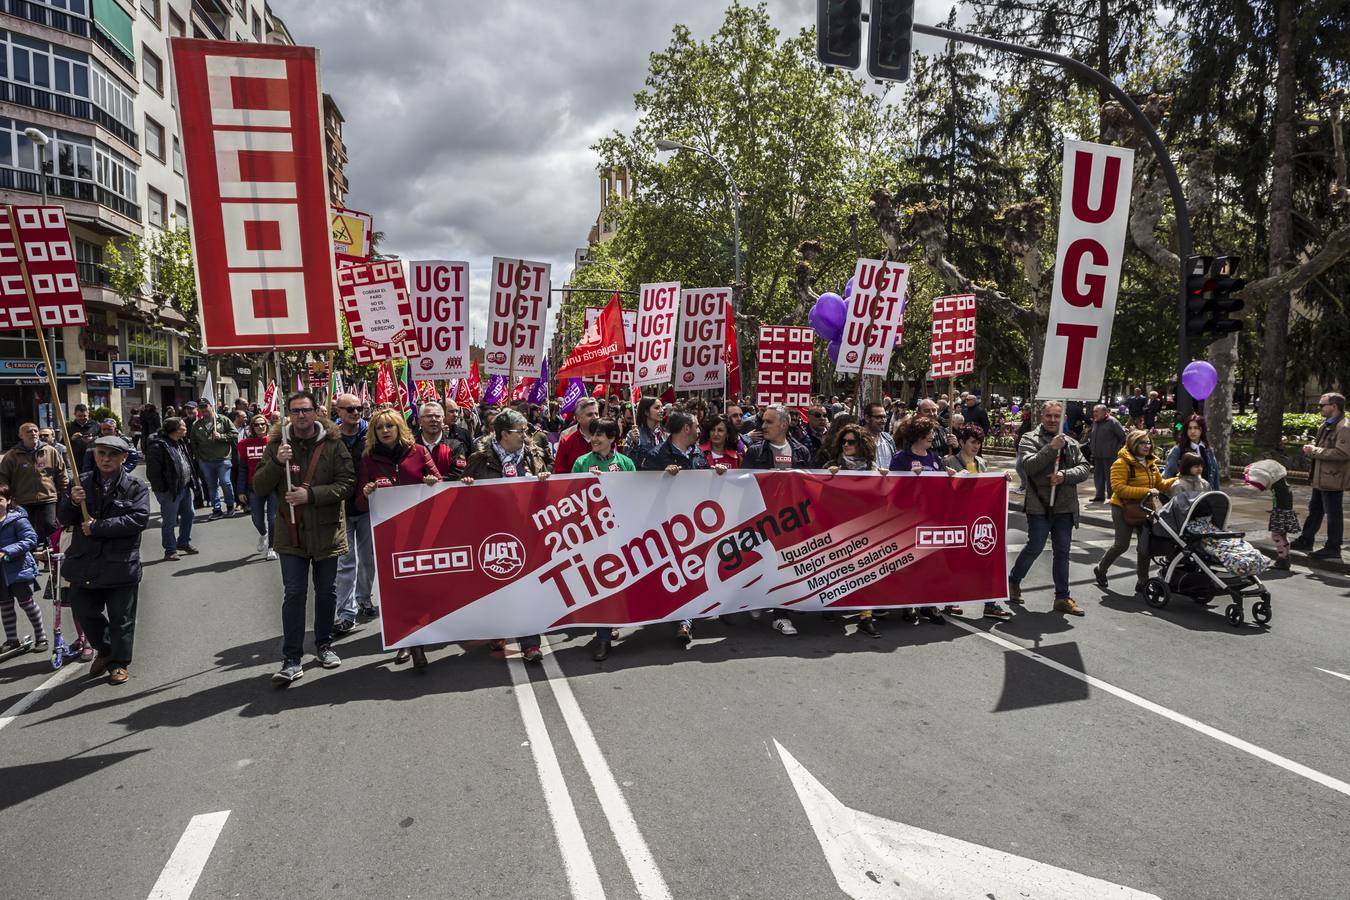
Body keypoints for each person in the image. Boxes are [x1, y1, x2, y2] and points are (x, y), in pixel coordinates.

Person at [253, 391, 355, 685]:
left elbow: (347, 483)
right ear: (288, 413)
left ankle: (324, 645)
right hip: (291, 533)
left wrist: (310, 494)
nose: (301, 416)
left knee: (326, 592)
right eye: (295, 411)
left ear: (316, 412)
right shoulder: (276, 445)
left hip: (326, 532)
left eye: (306, 410)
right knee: (294, 594)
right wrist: (276, 462)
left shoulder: (334, 445)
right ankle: (292, 658)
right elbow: (259, 487)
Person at [57, 435, 149, 686]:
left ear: (123, 458)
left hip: (120, 564)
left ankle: (118, 663)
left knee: (122, 619)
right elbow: (64, 518)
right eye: (101, 454)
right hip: (85, 562)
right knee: (84, 610)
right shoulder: (80, 483)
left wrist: (98, 527)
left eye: (112, 454)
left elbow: (139, 519)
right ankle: (106, 650)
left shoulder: (135, 486)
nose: (106, 459)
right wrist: (72, 501)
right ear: (94, 456)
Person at [462, 408, 551, 663]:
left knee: (529, 587)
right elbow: (464, 493)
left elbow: (550, 487)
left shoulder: (534, 454)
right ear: (503, 435)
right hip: (494, 532)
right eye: (519, 431)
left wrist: (545, 478)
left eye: (525, 430)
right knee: (497, 584)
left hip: (527, 529)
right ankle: (498, 631)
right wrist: (467, 484)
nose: (524, 435)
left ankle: (531, 643)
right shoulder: (480, 458)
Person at [357, 408, 441, 667]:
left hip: (419, 531)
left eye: (389, 426)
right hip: (388, 534)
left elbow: (439, 482)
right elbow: (360, 503)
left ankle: (417, 642)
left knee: (417, 586)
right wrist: (367, 491)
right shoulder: (369, 458)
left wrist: (431, 482)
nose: (385, 431)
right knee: (395, 590)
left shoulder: (418, 451)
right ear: (374, 432)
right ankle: (405, 642)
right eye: (380, 427)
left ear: (398, 428)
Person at [640, 410, 729, 642]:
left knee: (690, 573)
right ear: (686, 429)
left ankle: (685, 621)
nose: (701, 430)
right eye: (697, 426)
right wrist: (662, 477)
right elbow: (640, 490)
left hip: (692, 526)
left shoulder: (698, 453)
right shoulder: (656, 456)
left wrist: (715, 475)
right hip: (664, 526)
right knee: (669, 574)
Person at [1008, 401, 1091, 616]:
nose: (1053, 420)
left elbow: (1084, 468)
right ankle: (1014, 580)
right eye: (1049, 416)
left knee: (1062, 552)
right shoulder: (1029, 438)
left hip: (1065, 506)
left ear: (1063, 418)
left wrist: (1064, 476)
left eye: (1057, 416)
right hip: (1039, 505)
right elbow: (1028, 466)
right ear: (1041, 417)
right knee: (1035, 546)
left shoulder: (1071, 442)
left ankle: (1062, 597)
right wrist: (1050, 448)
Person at [738, 404, 808, 634]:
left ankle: (781, 615)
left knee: (784, 566)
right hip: (762, 519)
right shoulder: (755, 452)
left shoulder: (801, 452)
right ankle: (758, 598)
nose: (762, 426)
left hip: (791, 520)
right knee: (761, 563)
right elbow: (744, 485)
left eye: (769, 422)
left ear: (784, 425)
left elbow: (810, 484)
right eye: (763, 421)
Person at [572, 417, 635, 661]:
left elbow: (635, 495)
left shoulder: (626, 463)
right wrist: (587, 483)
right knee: (601, 586)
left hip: (620, 534)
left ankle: (609, 625)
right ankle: (603, 637)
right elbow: (570, 498)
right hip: (592, 536)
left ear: (612, 439)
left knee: (616, 585)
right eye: (592, 434)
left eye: (599, 435)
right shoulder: (581, 463)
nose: (594, 439)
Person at [819, 422, 886, 635]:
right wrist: (829, 477)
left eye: (852, 442)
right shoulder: (832, 465)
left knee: (865, 572)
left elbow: (882, 497)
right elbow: (818, 495)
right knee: (837, 568)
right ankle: (832, 604)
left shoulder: (872, 468)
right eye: (844, 442)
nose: (847, 445)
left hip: (865, 527)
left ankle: (865, 616)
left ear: (861, 445)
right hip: (838, 527)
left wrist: (885, 478)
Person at [942, 424, 1014, 620]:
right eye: (972, 442)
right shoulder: (948, 461)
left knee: (986, 559)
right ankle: (951, 600)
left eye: (979, 443)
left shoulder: (981, 463)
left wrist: (1002, 479)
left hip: (977, 520)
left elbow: (987, 488)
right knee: (956, 561)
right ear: (963, 442)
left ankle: (990, 603)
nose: (976, 446)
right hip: (956, 520)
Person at [1092, 431, 1175, 595]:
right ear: (1133, 444)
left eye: (1149, 442)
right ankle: (1101, 569)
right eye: (1143, 443)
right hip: (1123, 508)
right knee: (1122, 544)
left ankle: (1142, 581)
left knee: (1145, 546)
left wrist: (1179, 479)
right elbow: (1118, 488)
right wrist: (1146, 492)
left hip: (1146, 508)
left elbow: (1161, 484)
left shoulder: (1151, 463)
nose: (1147, 446)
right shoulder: (1121, 463)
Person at [888, 417, 947, 624]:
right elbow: (893, 490)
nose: (932, 436)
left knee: (930, 565)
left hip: (930, 520)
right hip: (908, 520)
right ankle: (907, 604)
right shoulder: (901, 459)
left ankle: (928, 604)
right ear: (918, 434)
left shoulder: (935, 458)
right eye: (929, 432)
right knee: (910, 564)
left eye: (933, 432)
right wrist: (910, 478)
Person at [332, 394, 375, 635]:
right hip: (340, 508)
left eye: (359, 408)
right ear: (338, 411)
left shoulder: (372, 434)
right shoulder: (329, 437)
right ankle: (346, 613)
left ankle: (364, 597)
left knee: (368, 559)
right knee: (345, 562)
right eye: (349, 409)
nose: (355, 412)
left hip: (368, 506)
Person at [1294, 391, 1348, 560]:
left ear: (1334, 406)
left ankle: (1333, 547)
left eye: (1322, 405)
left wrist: (1314, 451)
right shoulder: (1326, 424)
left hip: (1333, 478)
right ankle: (1306, 539)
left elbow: (1343, 453)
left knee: (1333, 514)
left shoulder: (1344, 427)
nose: (1319, 408)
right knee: (1315, 510)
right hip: (1321, 477)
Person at [0, 422, 68, 554]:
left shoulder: (50, 451)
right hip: (22, 500)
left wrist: (63, 491)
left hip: (48, 497)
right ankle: (30, 557)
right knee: (27, 530)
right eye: (29, 431)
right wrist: (8, 497)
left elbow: (61, 473)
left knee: (50, 526)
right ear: (20, 435)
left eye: (35, 431)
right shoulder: (12, 455)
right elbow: (3, 478)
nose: (34, 434)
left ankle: (53, 556)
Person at [0, 486, 47, 655]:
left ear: (9, 501)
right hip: (1, 574)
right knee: (5, 605)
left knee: (26, 603)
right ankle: (12, 640)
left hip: (19, 570)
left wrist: (6, 551)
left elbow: (30, 540)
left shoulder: (17, 519)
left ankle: (41, 636)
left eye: (0, 500)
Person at [144, 417, 199, 560]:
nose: (185, 428)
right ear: (175, 430)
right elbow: (153, 472)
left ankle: (183, 542)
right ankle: (170, 550)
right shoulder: (158, 446)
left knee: (189, 514)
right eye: (182, 426)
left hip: (184, 487)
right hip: (170, 491)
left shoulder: (180, 442)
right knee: (170, 521)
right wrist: (163, 490)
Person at [1244, 460, 1299, 570]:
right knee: (1282, 535)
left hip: (1280, 512)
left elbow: (1261, 486)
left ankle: (1282, 559)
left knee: (1277, 536)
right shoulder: (1283, 484)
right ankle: (1284, 558)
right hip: (1283, 512)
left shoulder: (1279, 486)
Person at [190, 398, 237, 519]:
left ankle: (230, 506)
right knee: (211, 485)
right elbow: (193, 442)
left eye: (205, 407)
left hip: (223, 458)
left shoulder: (223, 420)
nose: (204, 410)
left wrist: (221, 436)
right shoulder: (197, 424)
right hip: (206, 461)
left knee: (225, 482)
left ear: (211, 406)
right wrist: (198, 456)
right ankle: (216, 509)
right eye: (201, 407)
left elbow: (234, 434)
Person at [237, 415, 276, 558]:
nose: (260, 427)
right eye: (257, 425)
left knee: (273, 518)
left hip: (273, 486)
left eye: (262, 424)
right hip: (254, 486)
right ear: (252, 427)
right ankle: (263, 534)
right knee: (256, 518)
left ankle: (272, 547)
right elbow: (242, 469)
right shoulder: (245, 445)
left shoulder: (274, 442)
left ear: (267, 425)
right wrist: (241, 490)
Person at [1162, 414, 1220, 491]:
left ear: (1202, 430)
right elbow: (1167, 476)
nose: (1192, 431)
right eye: (1189, 428)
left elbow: (1215, 476)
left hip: (1206, 495)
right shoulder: (1178, 450)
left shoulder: (1208, 450)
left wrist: (1217, 496)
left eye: (1196, 428)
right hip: (1185, 497)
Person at [416, 401, 472, 480]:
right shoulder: (411, 447)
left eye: (437, 416)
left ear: (443, 420)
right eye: (429, 416)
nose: (434, 419)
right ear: (420, 421)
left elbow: (459, 473)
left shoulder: (455, 446)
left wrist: (438, 481)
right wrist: (424, 480)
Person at [1087, 404, 1128, 502]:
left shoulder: (1112, 422)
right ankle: (1099, 495)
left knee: (1110, 476)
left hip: (1110, 455)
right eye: (1094, 411)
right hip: (1097, 455)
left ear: (1104, 412)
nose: (1094, 414)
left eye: (1097, 411)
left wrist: (1117, 448)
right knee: (1098, 476)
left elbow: (1123, 436)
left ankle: (1112, 496)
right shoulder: (1096, 422)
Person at [554, 397, 601, 474]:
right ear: (578, 418)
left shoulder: (607, 439)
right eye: (590, 415)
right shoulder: (566, 441)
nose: (595, 417)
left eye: (596, 414)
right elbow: (560, 473)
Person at [624, 396, 667, 469]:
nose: (661, 410)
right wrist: (635, 444)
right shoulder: (634, 433)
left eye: (662, 407)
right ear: (646, 412)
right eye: (657, 408)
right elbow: (627, 462)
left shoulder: (666, 434)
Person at [66, 404, 100, 473]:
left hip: (93, 460)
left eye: (84, 416)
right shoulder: (69, 427)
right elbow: (63, 444)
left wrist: (93, 439)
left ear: (88, 414)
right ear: (75, 414)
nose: (82, 418)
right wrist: (71, 439)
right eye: (79, 416)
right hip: (76, 461)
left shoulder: (96, 425)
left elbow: (102, 440)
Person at [862, 403, 895, 469]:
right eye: (878, 417)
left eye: (884, 417)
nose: (883, 421)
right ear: (867, 418)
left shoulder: (888, 439)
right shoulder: (857, 439)